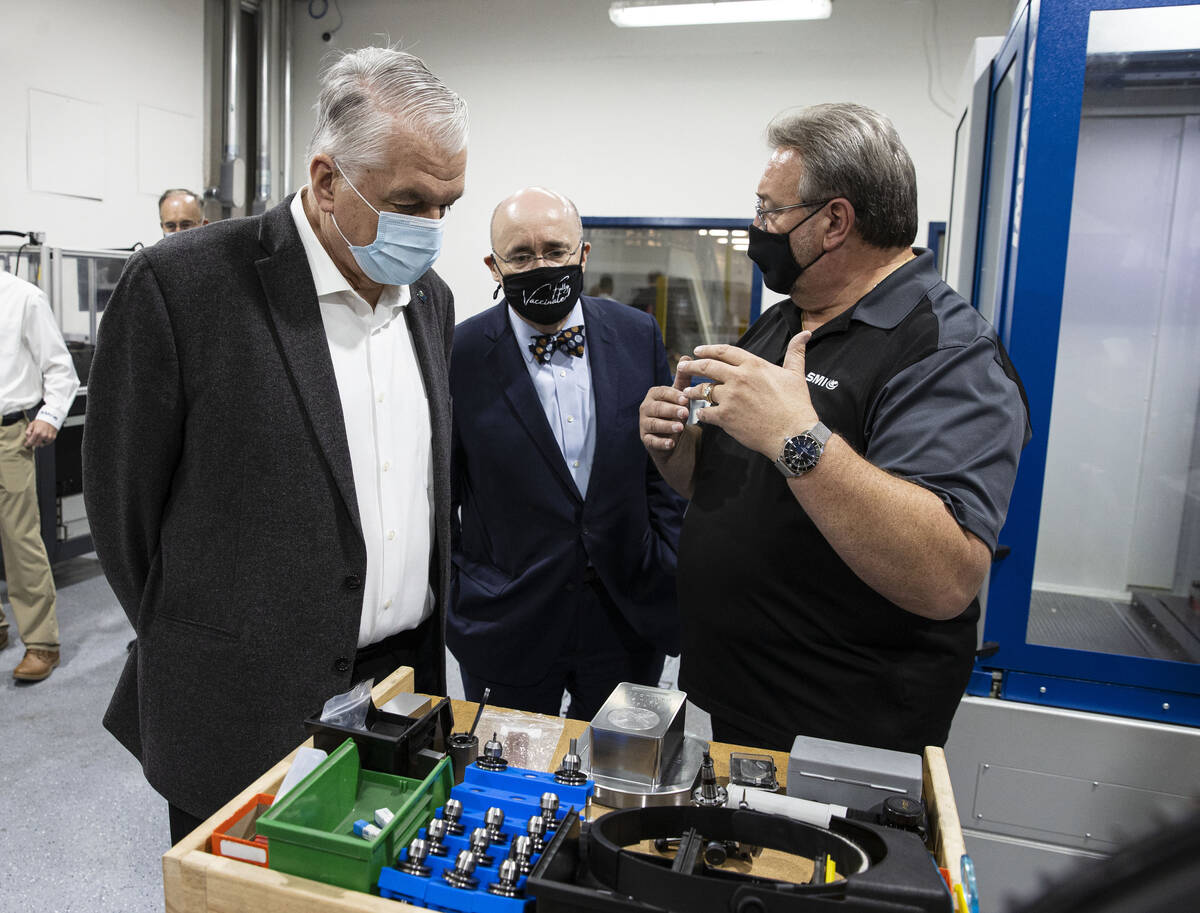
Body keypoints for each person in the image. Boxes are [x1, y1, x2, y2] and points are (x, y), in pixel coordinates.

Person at [83, 46, 468, 843]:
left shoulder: (429, 300)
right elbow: (123, 513)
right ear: (328, 181)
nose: (430, 229)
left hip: (400, 693)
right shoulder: (183, 287)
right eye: (409, 202)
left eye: (447, 206)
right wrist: (210, 640)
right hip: (241, 708)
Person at [639, 103, 1030, 754]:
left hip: (842, 736)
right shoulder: (786, 318)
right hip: (730, 705)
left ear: (834, 221)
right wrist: (681, 447)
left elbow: (944, 573)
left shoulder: (946, 350)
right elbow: (727, 484)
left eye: (770, 211)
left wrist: (797, 436)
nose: (757, 225)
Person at [449, 187, 685, 721]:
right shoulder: (459, 354)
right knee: (504, 776)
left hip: (626, 611)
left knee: (618, 781)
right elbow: (442, 492)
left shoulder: (636, 333)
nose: (542, 266)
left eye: (555, 251)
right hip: (507, 616)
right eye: (521, 256)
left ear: (583, 254)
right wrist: (466, 587)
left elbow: (662, 467)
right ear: (494, 266)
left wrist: (665, 560)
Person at [0, 270, 80, 682]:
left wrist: (50, 415)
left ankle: (42, 644)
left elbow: (60, 369)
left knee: (20, 540)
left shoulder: (23, 298)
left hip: (8, 434)